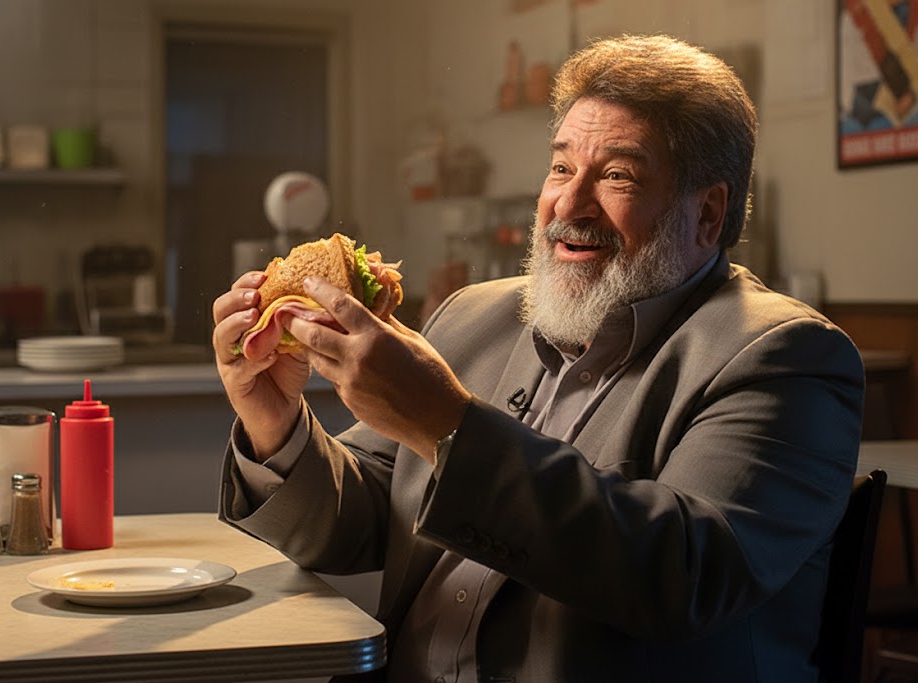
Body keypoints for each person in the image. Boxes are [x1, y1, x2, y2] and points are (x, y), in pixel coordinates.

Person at [211, 34, 864, 683]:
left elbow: (684, 575)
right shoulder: (474, 315)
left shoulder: (787, 358)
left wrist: (449, 426)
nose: (569, 204)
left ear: (708, 212)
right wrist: (278, 424)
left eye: (617, 175)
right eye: (560, 167)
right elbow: (359, 521)